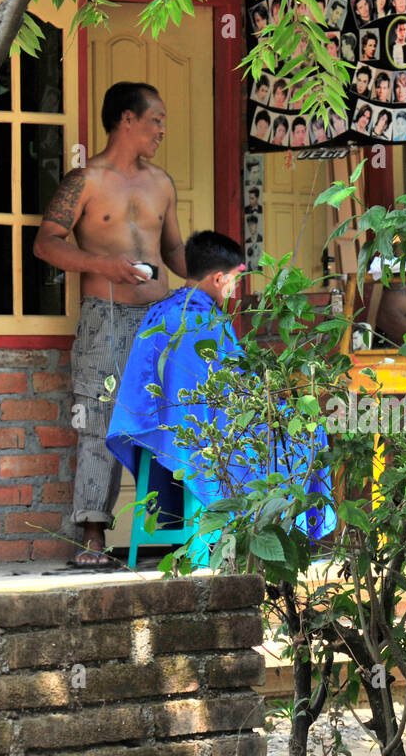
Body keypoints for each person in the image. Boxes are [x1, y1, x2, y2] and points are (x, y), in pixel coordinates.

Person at [32, 81, 187, 567]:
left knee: (170, 415)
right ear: (127, 119)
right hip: (107, 318)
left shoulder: (162, 183)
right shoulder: (86, 180)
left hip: (159, 320)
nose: (162, 129)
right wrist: (106, 267)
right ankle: (94, 535)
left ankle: (169, 532)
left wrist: (210, 274)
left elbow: (176, 252)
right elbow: (46, 243)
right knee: (98, 420)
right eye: (155, 119)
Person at [106, 231, 336, 541]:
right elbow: (240, 393)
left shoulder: (159, 312)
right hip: (200, 435)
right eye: (234, 281)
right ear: (217, 279)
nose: (235, 290)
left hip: (160, 432)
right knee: (305, 432)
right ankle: (277, 532)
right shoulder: (208, 322)